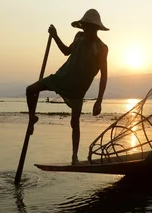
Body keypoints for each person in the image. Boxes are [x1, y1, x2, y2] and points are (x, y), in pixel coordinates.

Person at [26, 9, 109, 165]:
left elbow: (104, 75)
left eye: (90, 27)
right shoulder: (78, 37)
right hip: (61, 78)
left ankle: (74, 157)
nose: (86, 30)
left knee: (74, 123)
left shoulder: (101, 48)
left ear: (96, 28)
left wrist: (99, 101)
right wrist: (55, 35)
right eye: (84, 26)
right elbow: (66, 51)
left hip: (77, 89)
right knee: (30, 90)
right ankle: (32, 119)